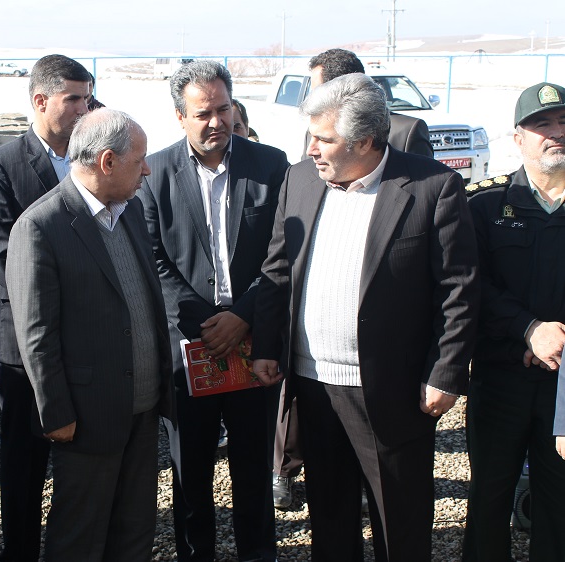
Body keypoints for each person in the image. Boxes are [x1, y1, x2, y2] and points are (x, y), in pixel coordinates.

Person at [252, 73, 479, 561]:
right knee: (330, 518)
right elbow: (277, 268)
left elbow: (458, 289)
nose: (312, 149)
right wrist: (268, 346)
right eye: (311, 136)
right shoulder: (299, 179)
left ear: (366, 140)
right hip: (313, 384)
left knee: (399, 523)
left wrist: (445, 373)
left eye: (324, 139)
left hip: (393, 390)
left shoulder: (432, 187)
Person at [6, 108, 173, 561]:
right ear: (107, 161)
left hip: (141, 409)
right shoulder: (41, 226)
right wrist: (56, 412)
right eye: (139, 160)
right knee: (79, 536)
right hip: (86, 417)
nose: (147, 170)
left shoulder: (130, 211)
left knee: (134, 530)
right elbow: (36, 333)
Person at [138, 60, 288, 562]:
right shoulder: (155, 172)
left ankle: (258, 554)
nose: (216, 122)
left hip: (255, 341)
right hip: (189, 346)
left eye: (223, 109)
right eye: (203, 113)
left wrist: (242, 316)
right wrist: (206, 325)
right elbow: (152, 257)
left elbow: (282, 251)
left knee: (253, 468)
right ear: (180, 116)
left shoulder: (270, 165)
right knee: (190, 470)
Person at [0, 53, 92, 562]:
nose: (84, 109)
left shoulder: (96, 157)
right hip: (25, 344)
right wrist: (73, 294)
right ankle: (19, 551)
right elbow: (0, 255)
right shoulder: (0, 166)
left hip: (87, 339)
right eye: (74, 99)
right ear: (41, 101)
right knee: (24, 463)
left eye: (88, 99)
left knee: (82, 459)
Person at [464, 82, 565, 562]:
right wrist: (528, 330)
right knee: (489, 497)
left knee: (559, 500)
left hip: (564, 382)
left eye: (564, 122)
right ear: (518, 138)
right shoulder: (485, 204)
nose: (556, 133)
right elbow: (472, 286)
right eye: (542, 124)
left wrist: (556, 340)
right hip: (501, 374)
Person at [301, 48, 433, 160]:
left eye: (316, 91)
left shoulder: (405, 131)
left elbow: (423, 179)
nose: (312, 150)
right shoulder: (314, 133)